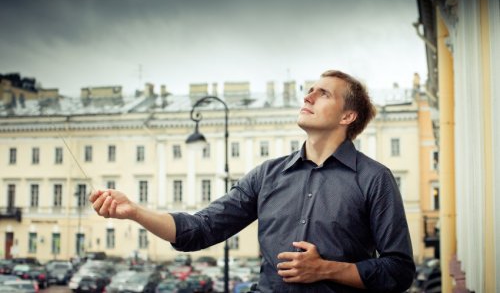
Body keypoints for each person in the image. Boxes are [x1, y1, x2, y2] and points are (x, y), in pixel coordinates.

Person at [90, 70, 415, 292]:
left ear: (347, 116)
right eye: (310, 89)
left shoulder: (375, 179)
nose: (309, 95)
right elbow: (199, 229)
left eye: (323, 93)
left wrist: (327, 269)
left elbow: (398, 271)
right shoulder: (268, 175)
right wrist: (134, 211)